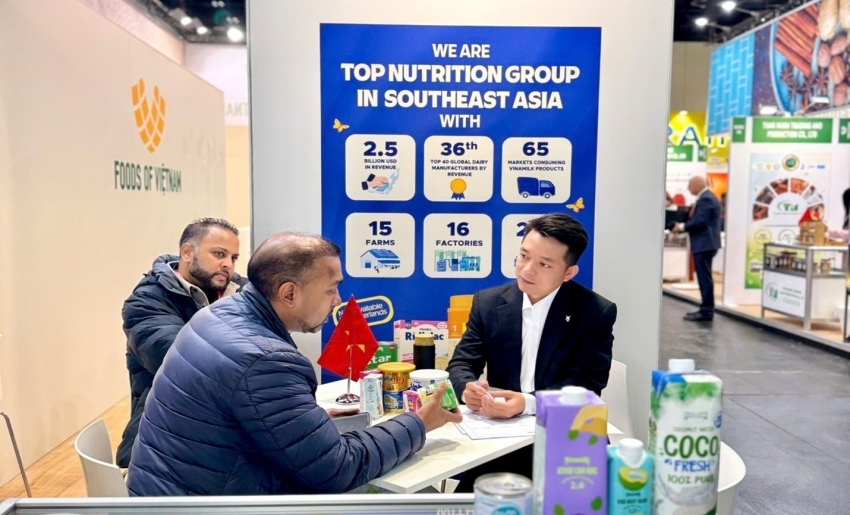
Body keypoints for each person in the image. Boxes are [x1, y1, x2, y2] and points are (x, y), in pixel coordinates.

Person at [127, 233, 462, 496]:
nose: (338, 301)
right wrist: (420, 423)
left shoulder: (218, 314)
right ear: (289, 294)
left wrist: (304, 420)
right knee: (416, 501)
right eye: (331, 290)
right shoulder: (264, 359)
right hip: (203, 505)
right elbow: (338, 469)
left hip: (171, 493)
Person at [447, 213, 617, 491]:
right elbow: (461, 363)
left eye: (544, 264)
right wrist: (468, 390)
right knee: (466, 503)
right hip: (499, 440)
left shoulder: (594, 312)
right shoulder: (488, 303)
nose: (527, 270)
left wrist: (526, 403)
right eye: (524, 256)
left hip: (567, 435)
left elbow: (587, 384)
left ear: (568, 273)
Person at [116, 218, 247, 468]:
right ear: (187, 253)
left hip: (220, 430)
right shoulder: (145, 303)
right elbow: (185, 364)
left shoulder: (240, 292)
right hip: (160, 442)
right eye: (219, 254)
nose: (228, 265)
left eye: (233, 258)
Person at [679, 176, 721, 322]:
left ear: (697, 185)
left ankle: (707, 310)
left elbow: (699, 221)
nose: (689, 189)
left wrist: (682, 227)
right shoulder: (707, 198)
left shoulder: (706, 199)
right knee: (704, 277)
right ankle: (705, 308)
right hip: (705, 243)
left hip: (704, 244)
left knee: (704, 278)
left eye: (690, 185)